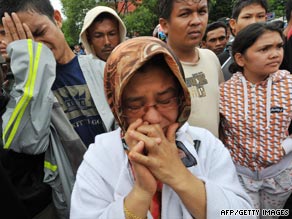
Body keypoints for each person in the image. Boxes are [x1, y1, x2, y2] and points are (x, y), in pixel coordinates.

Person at [70, 36, 254, 219]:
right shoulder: (100, 157)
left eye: (165, 101)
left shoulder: (204, 144)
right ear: (118, 108)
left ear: (182, 97)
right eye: (135, 106)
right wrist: (141, 192)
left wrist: (178, 175)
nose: (153, 118)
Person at [1, 0, 115, 217]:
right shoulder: (22, 87)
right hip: (75, 198)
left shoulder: (103, 70)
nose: (37, 46)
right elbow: (27, 142)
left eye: (39, 32)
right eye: (26, 42)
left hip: (120, 187)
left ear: (57, 18)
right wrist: (30, 67)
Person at [220, 22, 292, 217]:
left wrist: (286, 147)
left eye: (279, 46)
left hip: (280, 177)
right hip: (240, 177)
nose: (275, 54)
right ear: (240, 58)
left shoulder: (289, 84)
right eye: (264, 49)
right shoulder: (224, 92)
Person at [159, 0, 224, 138]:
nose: (196, 21)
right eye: (185, 14)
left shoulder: (211, 58)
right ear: (165, 25)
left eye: (202, 12)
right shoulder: (157, 68)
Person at [219, 0, 268, 81]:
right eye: (247, 17)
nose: (254, 22)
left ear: (266, 19)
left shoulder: (278, 55)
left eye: (260, 16)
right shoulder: (221, 61)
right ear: (233, 24)